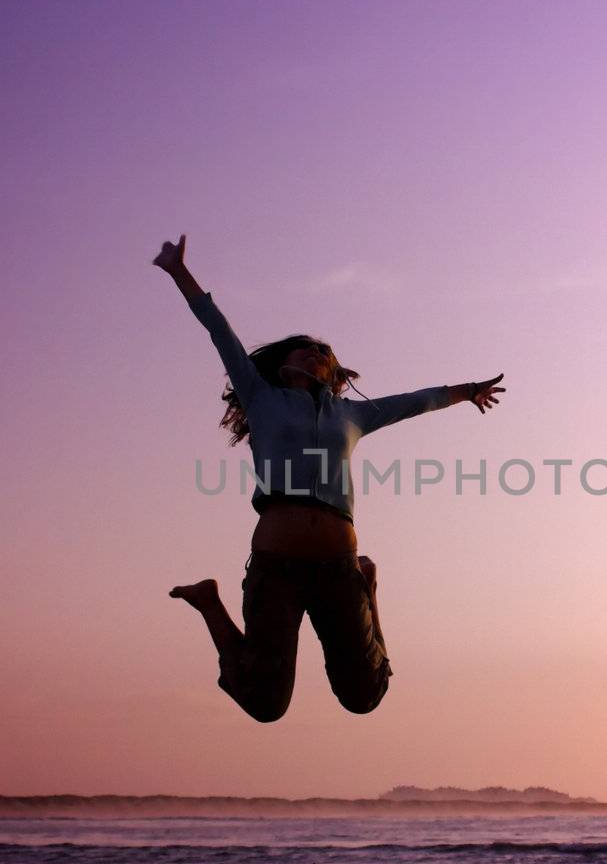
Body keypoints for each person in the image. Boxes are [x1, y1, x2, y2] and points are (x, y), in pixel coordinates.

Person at [153, 234, 505, 722]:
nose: (317, 351)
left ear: (335, 371)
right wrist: (178, 272)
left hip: (339, 565)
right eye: (306, 348)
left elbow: (413, 403)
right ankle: (209, 602)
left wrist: (467, 391)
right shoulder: (261, 397)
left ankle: (368, 586)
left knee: (365, 696)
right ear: (283, 363)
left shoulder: (351, 415)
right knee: (264, 703)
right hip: (276, 565)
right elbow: (218, 330)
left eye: (325, 351)